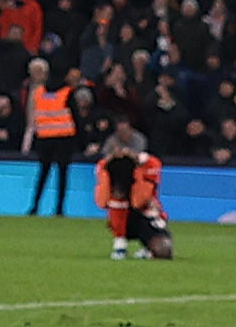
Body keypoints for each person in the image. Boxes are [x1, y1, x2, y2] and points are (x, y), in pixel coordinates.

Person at [95, 126, 172, 260]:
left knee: (163, 251)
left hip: (147, 216)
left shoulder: (149, 165)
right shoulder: (107, 168)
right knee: (117, 207)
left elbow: (140, 201)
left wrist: (137, 170)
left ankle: (148, 246)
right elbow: (102, 201)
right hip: (125, 215)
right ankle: (120, 246)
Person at [25, 57, 80, 216]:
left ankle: (34, 206)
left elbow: (34, 116)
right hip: (64, 137)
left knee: (43, 173)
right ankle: (59, 209)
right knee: (62, 174)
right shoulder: (67, 92)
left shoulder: (38, 92)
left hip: (44, 137)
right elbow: (76, 117)